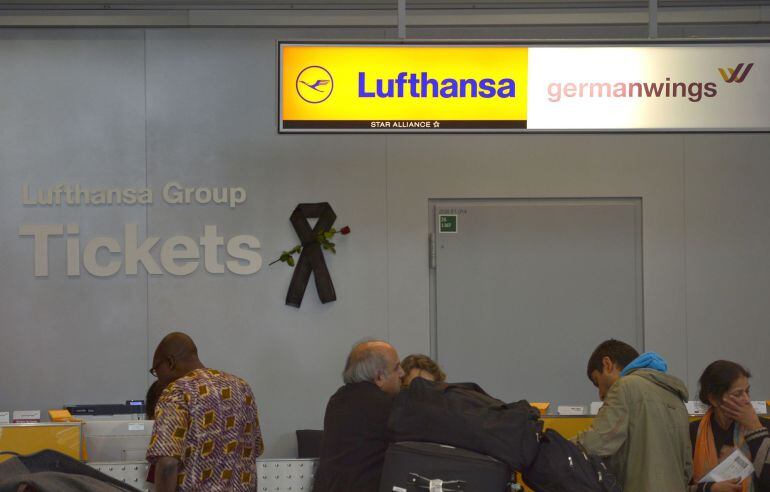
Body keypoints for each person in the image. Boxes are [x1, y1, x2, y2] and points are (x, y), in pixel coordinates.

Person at [146, 332, 264, 492]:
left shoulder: (176, 392)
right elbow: (254, 450)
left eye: (156, 370)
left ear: (170, 362)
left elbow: (167, 463)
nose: (158, 378)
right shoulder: (242, 388)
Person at [574, 339, 692, 492]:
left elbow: (597, 443)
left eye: (598, 382)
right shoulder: (676, 398)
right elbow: (687, 469)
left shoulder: (625, 386)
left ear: (607, 364)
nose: (601, 394)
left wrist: (558, 445)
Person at [313, 339, 405, 492]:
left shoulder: (338, 400)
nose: (402, 372)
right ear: (379, 377)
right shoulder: (384, 406)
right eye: (397, 368)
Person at [689, 360, 770, 492]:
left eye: (747, 391)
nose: (746, 399)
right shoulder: (693, 432)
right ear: (714, 399)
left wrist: (756, 429)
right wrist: (709, 488)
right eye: (738, 394)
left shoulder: (764, 427)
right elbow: (676, 484)